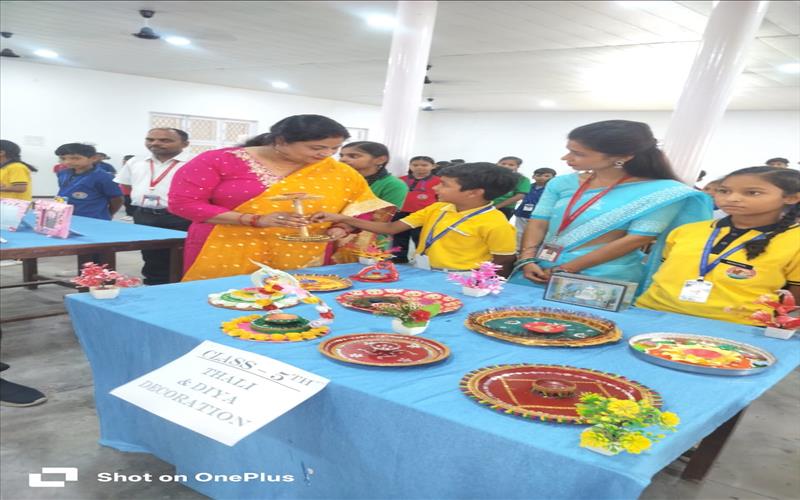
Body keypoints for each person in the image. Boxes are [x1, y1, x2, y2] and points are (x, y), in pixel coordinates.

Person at [168, 114, 393, 281]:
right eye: (317, 147)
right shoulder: (218, 160)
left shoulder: (339, 171)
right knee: (225, 305)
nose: (326, 154)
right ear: (281, 141)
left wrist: (342, 227)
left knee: (297, 312)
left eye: (334, 148)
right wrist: (254, 219)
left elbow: (363, 207)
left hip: (305, 254)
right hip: (225, 248)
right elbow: (183, 204)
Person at [512, 120, 712, 291]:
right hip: (539, 267)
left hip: (602, 277)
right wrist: (526, 259)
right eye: (568, 150)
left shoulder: (662, 192)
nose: (566, 158)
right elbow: (539, 222)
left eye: (578, 153)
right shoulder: (561, 183)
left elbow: (637, 238)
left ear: (623, 156)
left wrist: (567, 269)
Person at [637, 167, 799, 325]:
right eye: (724, 191)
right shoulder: (687, 231)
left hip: (738, 326)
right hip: (652, 312)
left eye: (752, 193)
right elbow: (665, 272)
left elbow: (794, 299)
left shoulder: (794, 239)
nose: (732, 198)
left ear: (791, 198)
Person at [312, 163, 519, 275]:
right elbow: (391, 228)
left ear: (474, 193)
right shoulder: (438, 208)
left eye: (444, 185)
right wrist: (341, 218)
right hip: (422, 270)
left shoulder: (495, 224)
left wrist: (484, 287)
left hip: (460, 277)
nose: (436, 188)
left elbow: (503, 261)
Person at [114, 128, 192, 285]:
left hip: (181, 217)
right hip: (144, 215)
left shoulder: (196, 162)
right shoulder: (135, 161)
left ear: (185, 144)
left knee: (181, 255)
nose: (155, 143)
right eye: (150, 139)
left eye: (165, 140)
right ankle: (153, 285)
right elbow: (126, 186)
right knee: (150, 255)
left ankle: (180, 288)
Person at [55, 143, 123, 220]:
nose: (68, 162)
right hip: (65, 216)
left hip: (92, 218)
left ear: (93, 158)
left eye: (75, 158)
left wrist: (109, 213)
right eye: (63, 158)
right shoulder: (63, 173)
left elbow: (117, 199)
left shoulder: (104, 177)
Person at [393, 155, 440, 263]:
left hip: (424, 214)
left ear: (433, 166)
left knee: (420, 237)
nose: (419, 167)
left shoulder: (438, 181)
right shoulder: (400, 180)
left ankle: (422, 259)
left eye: (424, 165)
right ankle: (399, 257)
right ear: (410, 166)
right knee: (399, 236)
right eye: (415, 165)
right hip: (401, 212)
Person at [513, 168, 557, 249]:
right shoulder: (528, 186)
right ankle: (518, 250)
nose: (542, 178)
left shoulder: (553, 189)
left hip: (540, 216)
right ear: (533, 176)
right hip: (522, 213)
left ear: (553, 178)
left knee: (537, 234)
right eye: (538, 175)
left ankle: (533, 250)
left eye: (546, 176)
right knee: (519, 232)